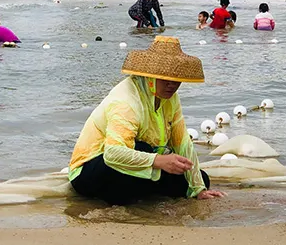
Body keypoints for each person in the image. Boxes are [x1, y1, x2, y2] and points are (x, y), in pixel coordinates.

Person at [68, 35, 226, 205]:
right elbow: (112, 154)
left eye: (176, 80)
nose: (172, 85)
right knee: (140, 153)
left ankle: (142, 189)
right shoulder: (126, 101)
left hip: (143, 162)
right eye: (165, 79)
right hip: (94, 168)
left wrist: (198, 188)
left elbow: (182, 143)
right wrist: (159, 161)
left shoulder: (171, 99)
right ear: (150, 75)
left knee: (200, 178)